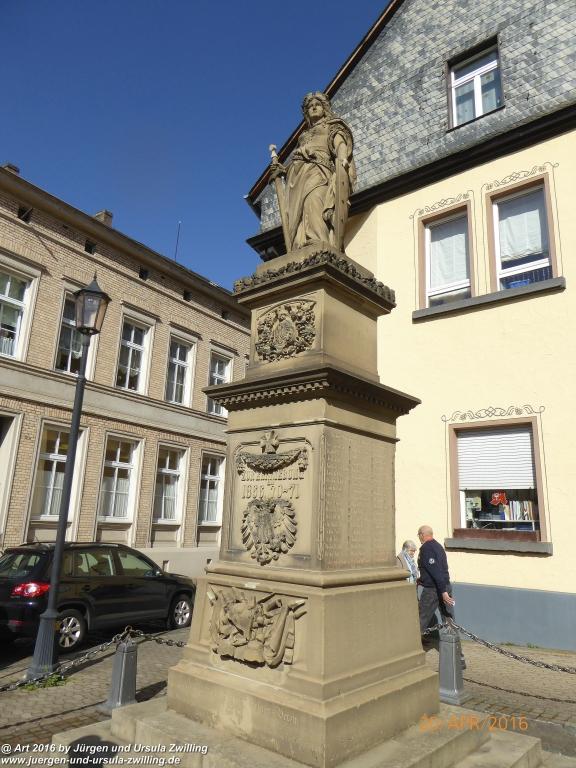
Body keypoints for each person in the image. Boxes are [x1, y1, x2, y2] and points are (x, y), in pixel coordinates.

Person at [269, 92, 356, 251]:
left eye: (317, 105)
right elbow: (297, 157)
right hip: (297, 177)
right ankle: (301, 245)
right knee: (300, 213)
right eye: (310, 106)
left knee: (315, 199)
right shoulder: (304, 135)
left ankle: (318, 240)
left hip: (320, 170)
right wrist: (283, 170)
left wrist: (342, 159)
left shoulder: (332, 126)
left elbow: (340, 144)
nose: (314, 107)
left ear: (324, 108)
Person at [416, 525, 466, 669]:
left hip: (434, 590)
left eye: (419, 535)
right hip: (445, 586)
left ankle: (411, 655)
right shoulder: (438, 546)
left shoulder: (426, 548)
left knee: (420, 620)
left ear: (422, 534)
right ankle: (459, 658)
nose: (419, 538)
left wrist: (442, 592)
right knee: (450, 622)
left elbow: (436, 571)